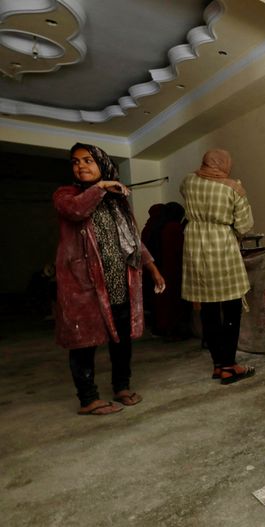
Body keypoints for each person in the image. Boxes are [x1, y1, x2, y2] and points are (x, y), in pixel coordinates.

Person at [54, 143, 165, 415]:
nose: (80, 165)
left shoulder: (117, 202)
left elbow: (132, 240)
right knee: (84, 341)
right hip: (84, 285)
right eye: (75, 161)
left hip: (120, 282)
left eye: (88, 160)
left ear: (102, 164)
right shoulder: (65, 195)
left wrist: (152, 268)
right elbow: (76, 211)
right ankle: (88, 399)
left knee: (122, 338)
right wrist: (101, 187)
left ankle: (121, 386)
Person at [181, 149, 255, 384]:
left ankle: (217, 364)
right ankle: (230, 365)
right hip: (221, 245)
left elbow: (184, 190)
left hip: (194, 246)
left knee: (208, 309)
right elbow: (245, 226)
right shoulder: (234, 188)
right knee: (231, 306)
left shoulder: (188, 181)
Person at [151, 202, 190, 339]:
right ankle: (174, 331)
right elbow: (179, 250)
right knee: (174, 303)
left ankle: (165, 328)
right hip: (173, 269)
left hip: (161, 268)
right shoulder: (173, 228)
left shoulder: (157, 226)